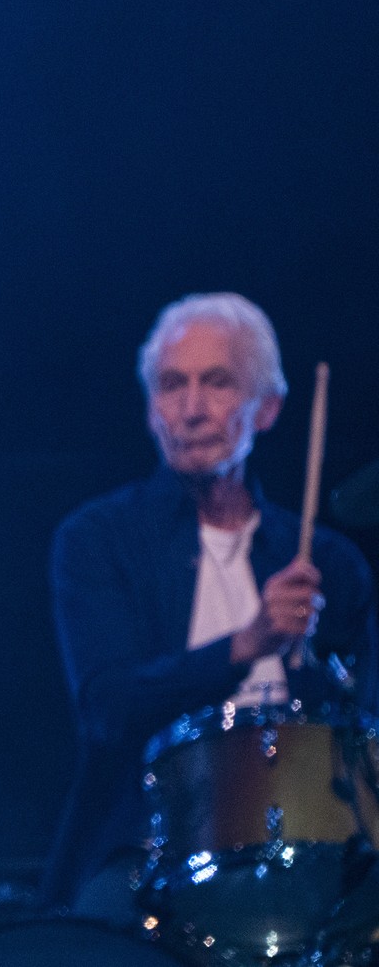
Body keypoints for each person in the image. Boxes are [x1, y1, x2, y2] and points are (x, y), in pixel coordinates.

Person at [45, 292, 378, 919]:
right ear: (150, 410)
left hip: (312, 839)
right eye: (172, 386)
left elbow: (365, 726)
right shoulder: (98, 540)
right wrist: (244, 645)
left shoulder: (327, 562)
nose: (191, 409)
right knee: (93, 932)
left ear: (268, 408)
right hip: (147, 845)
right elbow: (107, 710)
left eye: (218, 383)